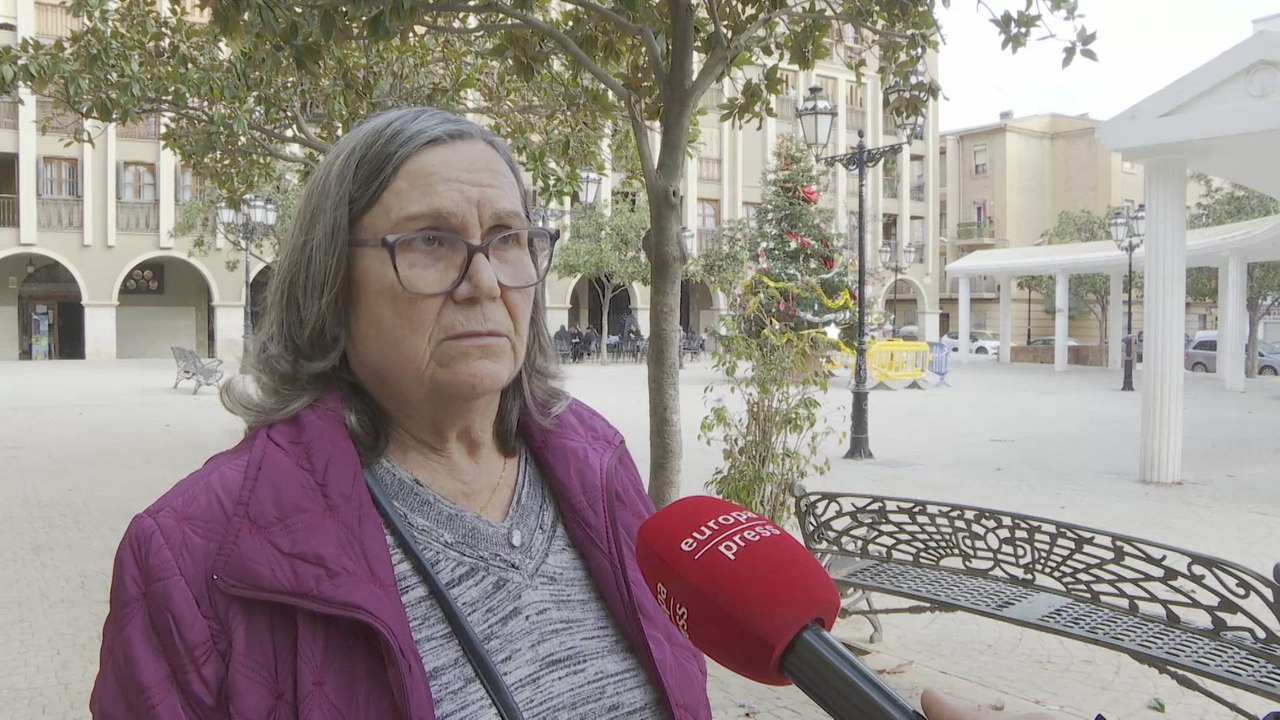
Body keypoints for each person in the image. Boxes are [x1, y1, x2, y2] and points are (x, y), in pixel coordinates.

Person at [89, 105, 1047, 720]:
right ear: (328, 282)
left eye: (508, 238)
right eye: (431, 242)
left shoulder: (592, 460)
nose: (484, 281)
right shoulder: (191, 557)